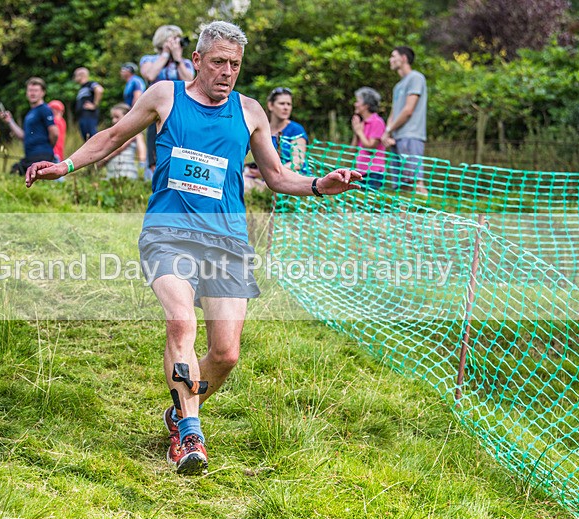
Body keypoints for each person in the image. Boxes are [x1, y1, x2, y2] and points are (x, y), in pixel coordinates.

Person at [25, 21, 361, 476]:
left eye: (235, 65)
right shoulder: (165, 96)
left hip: (227, 241)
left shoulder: (251, 112)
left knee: (226, 354)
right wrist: (62, 166)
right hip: (169, 233)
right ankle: (190, 436)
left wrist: (321, 184)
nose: (227, 72)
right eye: (219, 62)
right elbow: (112, 137)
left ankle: (181, 412)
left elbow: (278, 177)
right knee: (181, 321)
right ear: (198, 60)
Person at [140, 25, 196, 175]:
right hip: (154, 111)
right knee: (154, 151)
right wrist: (165, 54)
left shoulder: (185, 63)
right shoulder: (149, 60)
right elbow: (150, 75)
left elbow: (190, 81)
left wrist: (177, 59)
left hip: (179, 112)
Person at [380, 46, 429, 195]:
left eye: (393, 56)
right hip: (397, 137)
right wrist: (387, 133)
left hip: (411, 135)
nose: (390, 60)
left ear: (404, 58)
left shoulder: (415, 78)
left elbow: (408, 110)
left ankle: (427, 214)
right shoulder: (398, 86)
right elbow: (394, 112)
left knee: (415, 181)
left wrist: (389, 130)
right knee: (402, 185)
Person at [0, 77, 58, 175]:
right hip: (30, 156)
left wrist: (47, 148)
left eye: (36, 90)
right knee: (14, 172)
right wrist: (9, 121)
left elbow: (55, 133)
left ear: (43, 92)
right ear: (26, 93)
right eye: (30, 90)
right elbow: (23, 136)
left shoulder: (44, 109)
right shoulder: (30, 114)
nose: (32, 93)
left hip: (42, 156)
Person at [351, 87, 387, 190]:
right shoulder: (362, 124)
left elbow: (371, 147)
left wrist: (359, 132)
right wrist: (356, 132)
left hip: (374, 172)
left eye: (358, 101)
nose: (355, 104)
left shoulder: (377, 122)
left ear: (366, 105)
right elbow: (352, 150)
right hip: (361, 170)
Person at [99, 103, 146, 179]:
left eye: (117, 117)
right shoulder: (113, 134)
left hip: (126, 174)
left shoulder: (133, 133)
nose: (113, 120)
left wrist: (103, 160)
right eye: (112, 117)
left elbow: (119, 148)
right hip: (112, 174)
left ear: (127, 117)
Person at [267, 87, 308, 172]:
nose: (286, 107)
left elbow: (297, 163)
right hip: (269, 178)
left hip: (297, 177)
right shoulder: (263, 130)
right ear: (270, 105)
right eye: (282, 104)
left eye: (289, 104)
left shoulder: (296, 129)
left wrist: (272, 173)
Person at [73, 67, 104, 141]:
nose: (74, 78)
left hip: (89, 116)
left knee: (93, 139)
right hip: (82, 117)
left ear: (81, 75)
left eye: (75, 75)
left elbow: (99, 90)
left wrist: (94, 105)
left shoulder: (90, 84)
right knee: (86, 140)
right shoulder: (82, 88)